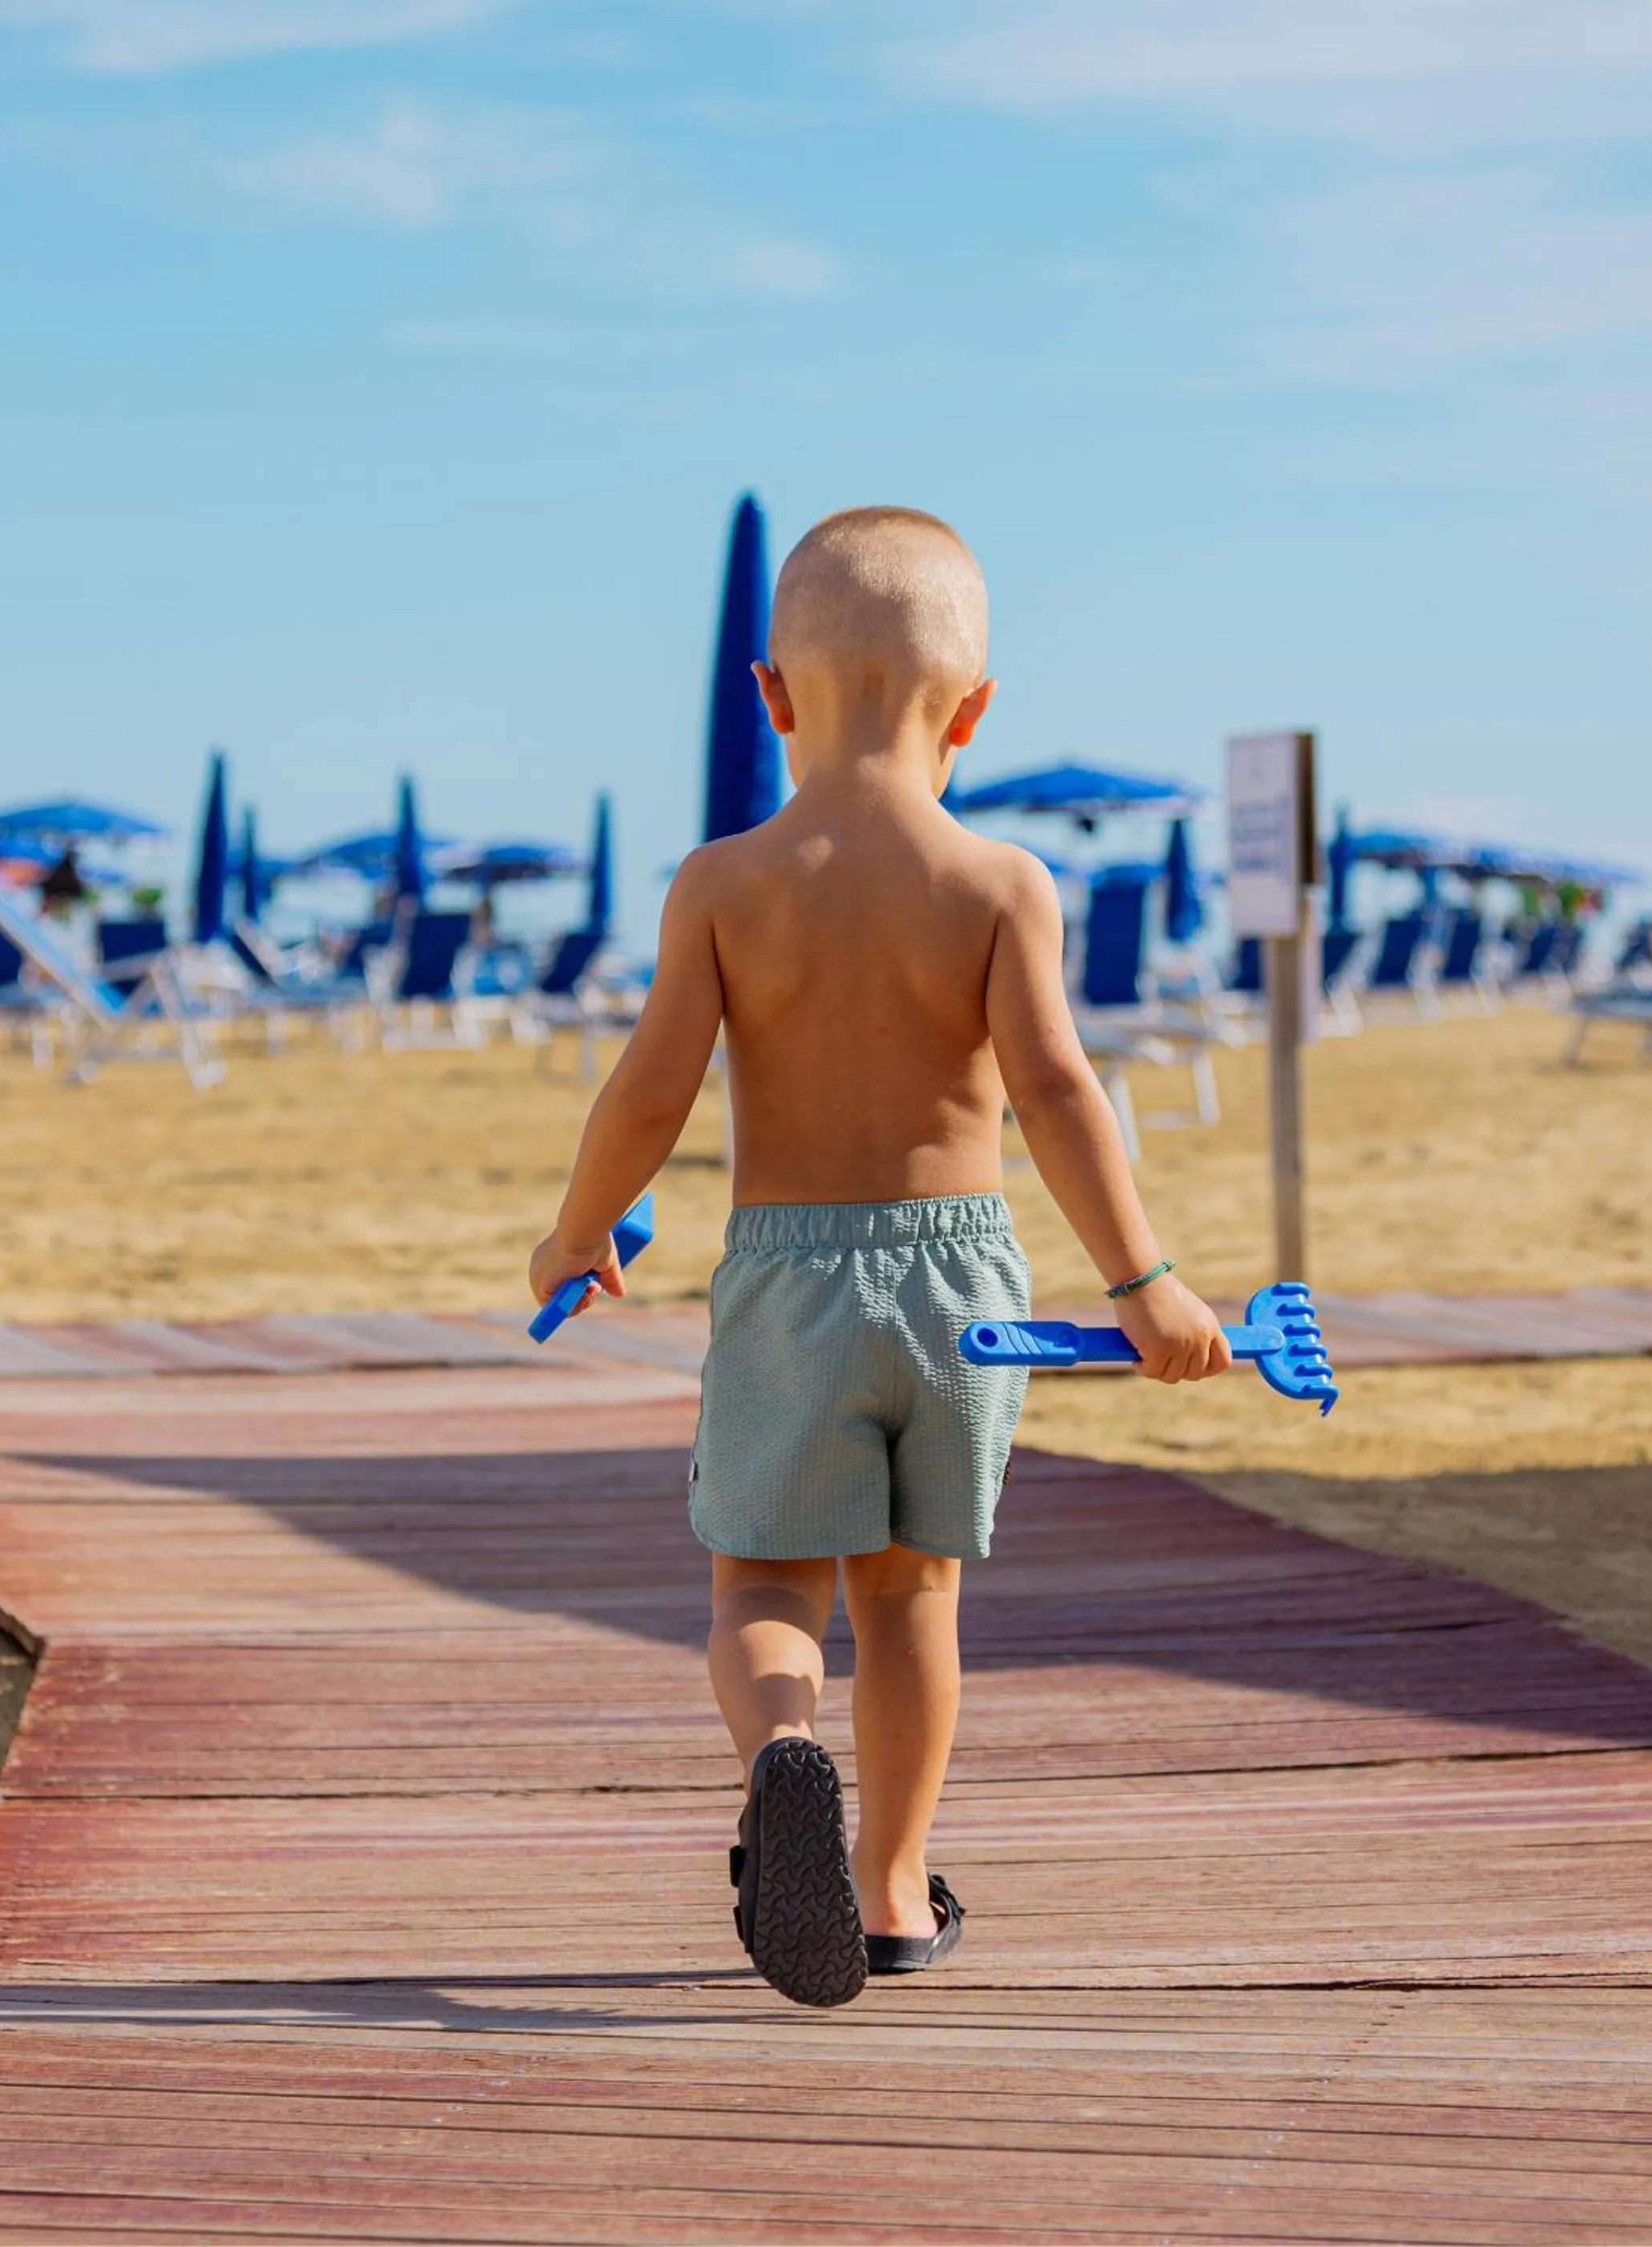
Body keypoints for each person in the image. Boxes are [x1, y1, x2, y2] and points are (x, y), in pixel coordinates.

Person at [528, 506, 1230, 2008]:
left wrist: (576, 1233)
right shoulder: (1003, 883)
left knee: (762, 1584)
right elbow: (1058, 1094)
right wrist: (1142, 1283)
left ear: (770, 696)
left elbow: (648, 1090)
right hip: (958, 1285)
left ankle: (784, 1749)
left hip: (789, 1275)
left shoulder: (723, 882)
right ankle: (894, 1891)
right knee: (911, 1598)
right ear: (972, 712)